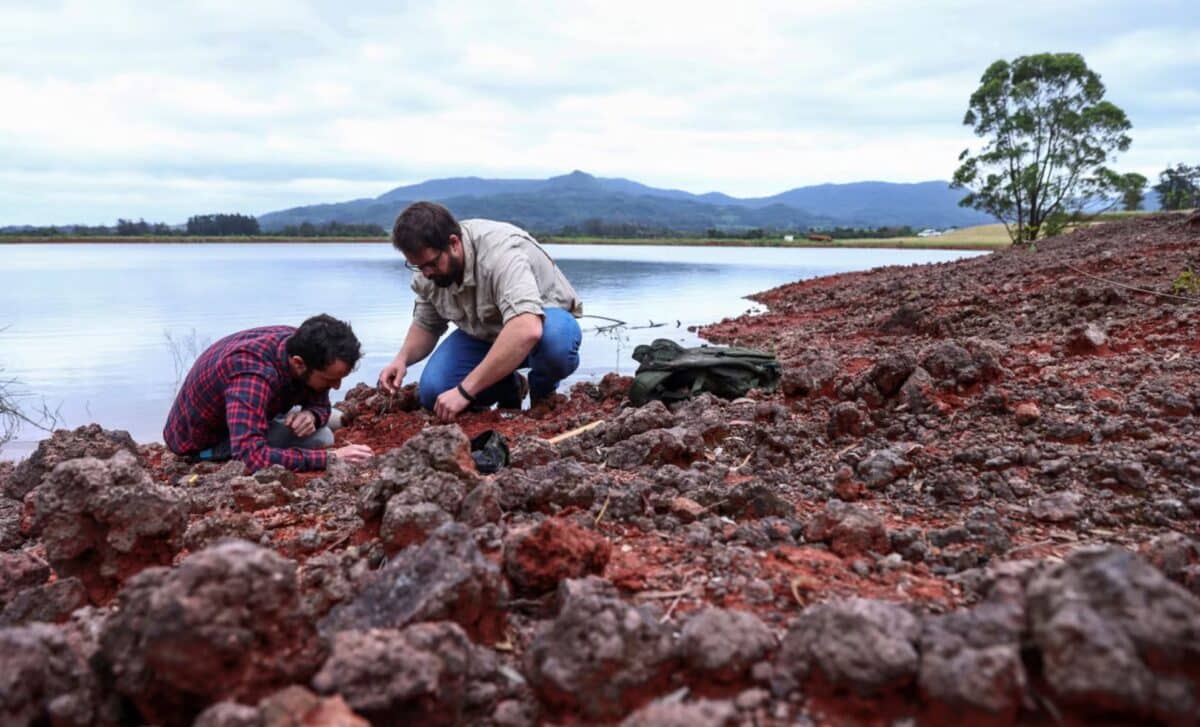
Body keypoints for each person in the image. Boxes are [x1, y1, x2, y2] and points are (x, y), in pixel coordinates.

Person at [378, 201, 583, 422]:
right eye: (417, 266)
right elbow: (427, 324)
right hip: (485, 334)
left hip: (542, 325)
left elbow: (527, 328)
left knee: (555, 344)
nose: (426, 273)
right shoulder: (429, 268)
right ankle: (509, 388)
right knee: (433, 392)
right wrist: (401, 359)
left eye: (431, 264)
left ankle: (543, 396)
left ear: (454, 243)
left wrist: (464, 391)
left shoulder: (500, 254)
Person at [164, 314, 374, 472]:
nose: (337, 386)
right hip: (204, 442)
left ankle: (293, 421)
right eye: (330, 380)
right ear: (299, 363)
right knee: (321, 438)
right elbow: (250, 456)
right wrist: (330, 458)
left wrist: (312, 414)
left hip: (250, 408)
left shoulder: (302, 346)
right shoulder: (252, 375)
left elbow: (319, 403)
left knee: (328, 418)